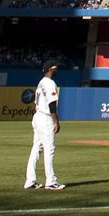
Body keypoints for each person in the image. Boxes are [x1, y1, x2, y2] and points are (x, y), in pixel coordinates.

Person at [24, 61, 64, 191]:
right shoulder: (50, 83)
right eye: (55, 68)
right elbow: (52, 104)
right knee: (49, 149)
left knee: (36, 148)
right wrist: (55, 121)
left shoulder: (41, 82)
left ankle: (30, 180)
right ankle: (51, 181)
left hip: (37, 116)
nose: (57, 69)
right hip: (46, 118)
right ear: (50, 69)